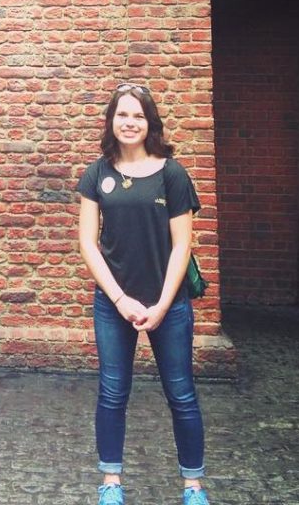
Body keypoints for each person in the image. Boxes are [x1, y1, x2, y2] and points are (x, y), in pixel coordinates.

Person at [77, 83, 209, 505]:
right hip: (114, 303)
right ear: (111, 121)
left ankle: (193, 488)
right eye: (122, 115)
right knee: (113, 393)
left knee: (181, 394)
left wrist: (163, 304)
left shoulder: (172, 173)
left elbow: (182, 245)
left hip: (167, 305)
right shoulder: (97, 174)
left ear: (149, 122)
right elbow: (87, 244)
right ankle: (111, 483)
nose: (129, 122)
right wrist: (120, 299)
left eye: (138, 116)